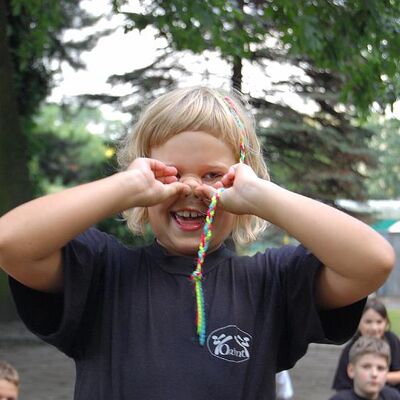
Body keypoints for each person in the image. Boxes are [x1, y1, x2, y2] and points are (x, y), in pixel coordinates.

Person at [0, 86, 395, 400]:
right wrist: (127, 186)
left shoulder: (273, 282)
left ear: (242, 182)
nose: (191, 188)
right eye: (171, 173)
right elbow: (10, 241)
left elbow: (372, 261)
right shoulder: (101, 271)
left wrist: (261, 196)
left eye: (212, 176)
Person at [332, 298, 400, 392]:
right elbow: (342, 386)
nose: (374, 328)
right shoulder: (351, 349)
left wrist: (379, 378)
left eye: (379, 322)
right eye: (368, 322)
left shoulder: (392, 340)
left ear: (386, 322)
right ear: (358, 322)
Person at [329, 336, 400, 400]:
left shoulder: (393, 397)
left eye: (380, 368)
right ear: (351, 370)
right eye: (366, 367)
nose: (374, 374)